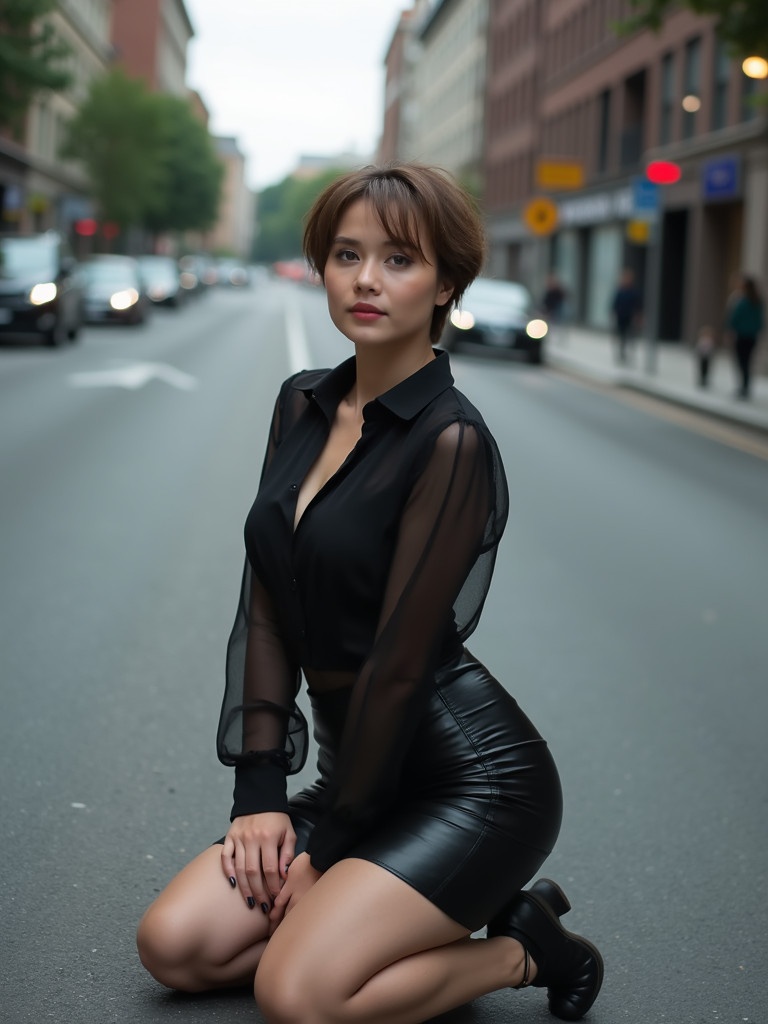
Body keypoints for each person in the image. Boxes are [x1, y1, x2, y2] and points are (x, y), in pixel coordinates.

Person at [136, 163, 604, 1023]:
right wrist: (261, 796)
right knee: (174, 945)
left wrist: (331, 852)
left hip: (468, 787)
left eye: (399, 260)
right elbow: (269, 597)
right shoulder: (302, 404)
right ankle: (377, 920)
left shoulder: (451, 441)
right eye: (347, 254)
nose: (365, 280)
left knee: (297, 993)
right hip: (356, 771)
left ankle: (522, 950)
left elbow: (396, 666)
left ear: (447, 283)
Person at [725, 273, 764, 399]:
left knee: (742, 362)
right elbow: (760, 321)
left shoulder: (741, 300)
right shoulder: (757, 300)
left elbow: (733, 318)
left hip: (742, 336)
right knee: (747, 362)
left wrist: (730, 331)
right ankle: (745, 387)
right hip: (752, 336)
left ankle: (743, 387)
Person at [610, 267, 643, 365]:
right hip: (621, 317)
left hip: (630, 317)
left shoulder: (634, 292)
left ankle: (629, 355)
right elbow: (614, 304)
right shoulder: (620, 291)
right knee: (621, 336)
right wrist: (613, 314)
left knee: (630, 337)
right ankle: (621, 353)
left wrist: (639, 316)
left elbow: (638, 305)